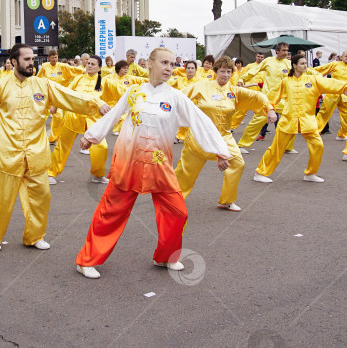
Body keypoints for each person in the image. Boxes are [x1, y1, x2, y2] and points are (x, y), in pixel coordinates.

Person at [74, 47, 231, 280]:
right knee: (111, 212)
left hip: (159, 164)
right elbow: (114, 114)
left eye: (171, 64)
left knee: (177, 212)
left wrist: (220, 150)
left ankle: (166, 256)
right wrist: (92, 136)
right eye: (164, 63)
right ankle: (87, 260)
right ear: (150, 63)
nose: (169, 68)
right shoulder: (134, 92)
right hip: (128, 161)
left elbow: (200, 121)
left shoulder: (176, 97)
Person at [0, 44, 110, 252]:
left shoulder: (43, 85)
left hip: (36, 152)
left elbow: (70, 97)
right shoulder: (0, 86)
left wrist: (95, 103)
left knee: (41, 196)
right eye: (27, 59)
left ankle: (34, 236)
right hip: (7, 154)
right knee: (0, 198)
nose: (32, 63)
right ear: (14, 62)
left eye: (33, 59)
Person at [175, 56, 275, 212]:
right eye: (222, 71)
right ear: (215, 71)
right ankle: (172, 200)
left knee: (238, 163)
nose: (226, 75)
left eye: (229, 72)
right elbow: (178, 98)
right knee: (185, 172)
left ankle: (227, 201)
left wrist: (270, 109)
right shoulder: (201, 86)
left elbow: (257, 97)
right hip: (200, 136)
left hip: (224, 137)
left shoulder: (234, 92)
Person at [253, 54, 347, 184]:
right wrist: (271, 111)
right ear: (294, 65)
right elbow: (270, 98)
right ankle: (260, 172)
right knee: (277, 148)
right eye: (302, 63)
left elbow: (331, 83)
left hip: (308, 121)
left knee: (318, 145)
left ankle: (311, 173)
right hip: (288, 120)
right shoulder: (285, 82)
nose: (305, 66)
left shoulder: (313, 80)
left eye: (306, 63)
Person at [48, 55, 110, 184]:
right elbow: (66, 94)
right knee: (62, 146)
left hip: (93, 120)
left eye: (93, 64)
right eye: (88, 63)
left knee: (101, 147)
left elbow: (116, 96)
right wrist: (55, 105)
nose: (90, 66)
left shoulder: (104, 82)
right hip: (73, 118)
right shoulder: (78, 78)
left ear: (99, 68)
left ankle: (98, 175)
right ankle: (50, 173)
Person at [237, 43, 291, 152]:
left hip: (283, 99)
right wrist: (242, 79)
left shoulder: (289, 64)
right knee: (257, 121)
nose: (286, 53)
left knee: (290, 119)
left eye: (287, 50)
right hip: (268, 99)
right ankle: (242, 145)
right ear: (277, 51)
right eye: (283, 50)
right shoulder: (268, 61)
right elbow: (254, 71)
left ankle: (287, 147)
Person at [36, 50, 84, 148]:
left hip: (59, 96)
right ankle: (34, 137)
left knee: (58, 117)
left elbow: (73, 70)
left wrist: (85, 71)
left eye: (56, 57)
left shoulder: (62, 66)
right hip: (47, 95)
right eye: (52, 57)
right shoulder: (45, 66)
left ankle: (53, 138)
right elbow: (38, 78)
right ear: (49, 58)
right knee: (38, 115)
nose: (54, 59)